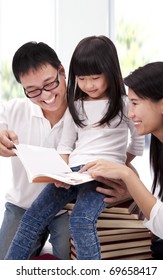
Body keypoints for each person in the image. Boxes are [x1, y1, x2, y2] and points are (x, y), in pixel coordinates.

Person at [4, 35, 144, 260]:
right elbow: (66, 145)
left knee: (81, 220)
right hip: (72, 173)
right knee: (32, 217)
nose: (88, 85)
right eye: (82, 78)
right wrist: (61, 172)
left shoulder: (125, 104)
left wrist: (120, 166)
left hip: (102, 174)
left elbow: (137, 142)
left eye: (95, 78)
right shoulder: (76, 105)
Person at [83, 61, 163, 260]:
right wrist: (130, 192)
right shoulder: (162, 145)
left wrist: (127, 174)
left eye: (135, 103)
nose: (130, 113)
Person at [0, 41, 70, 259]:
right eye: (33, 90)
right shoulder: (14, 110)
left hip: (68, 208)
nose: (45, 95)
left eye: (49, 84)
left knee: (77, 263)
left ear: (62, 71)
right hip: (23, 205)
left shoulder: (84, 113)